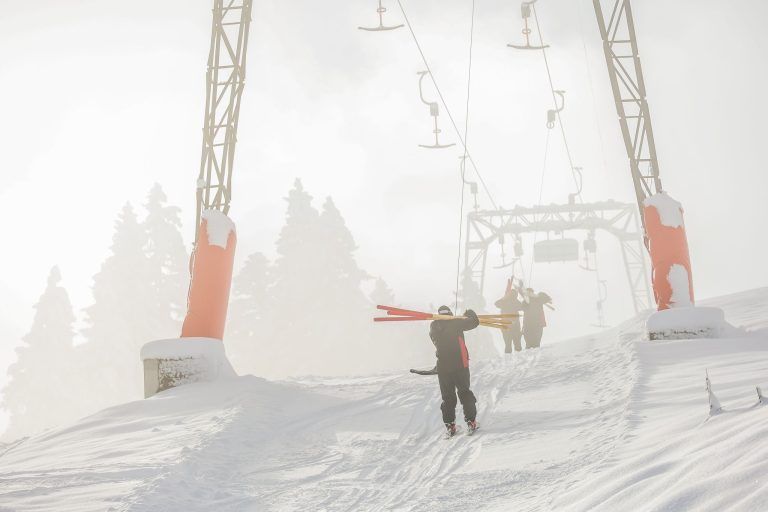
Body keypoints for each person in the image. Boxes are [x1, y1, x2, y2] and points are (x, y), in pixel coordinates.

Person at [429, 305, 481, 436]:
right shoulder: (456, 322)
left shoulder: (434, 326)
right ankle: (471, 421)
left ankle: (450, 425)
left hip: (443, 367)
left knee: (448, 397)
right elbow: (474, 321)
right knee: (464, 392)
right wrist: (469, 312)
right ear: (450, 314)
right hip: (460, 366)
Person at [494, 279, 523, 353]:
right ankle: (520, 360)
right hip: (515, 325)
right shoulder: (516, 302)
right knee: (517, 344)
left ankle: (507, 360)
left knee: (508, 344)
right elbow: (523, 307)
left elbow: (496, 303)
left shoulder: (504, 301)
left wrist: (505, 297)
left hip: (505, 325)